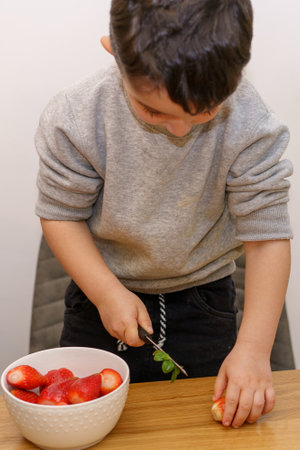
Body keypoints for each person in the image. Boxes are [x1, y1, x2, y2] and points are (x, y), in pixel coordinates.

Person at [35, 0, 293, 428]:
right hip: (100, 293)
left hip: (204, 303)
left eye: (206, 110)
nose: (180, 128)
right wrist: (105, 293)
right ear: (115, 55)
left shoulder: (254, 126)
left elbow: (267, 237)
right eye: (155, 110)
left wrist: (252, 349)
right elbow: (61, 215)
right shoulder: (76, 117)